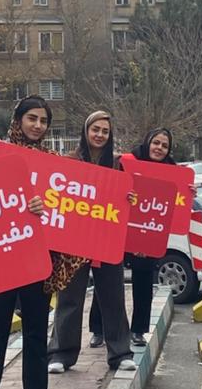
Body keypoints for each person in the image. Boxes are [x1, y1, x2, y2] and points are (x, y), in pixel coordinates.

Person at [0, 96, 82, 389]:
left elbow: (74, 204)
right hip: (3, 257)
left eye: (43, 120)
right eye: (32, 118)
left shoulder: (54, 163)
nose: (37, 125)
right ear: (18, 119)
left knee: (36, 330)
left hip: (38, 258)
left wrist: (44, 208)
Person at [47, 111, 136, 374]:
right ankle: (61, 353)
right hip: (74, 242)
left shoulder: (118, 165)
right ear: (86, 131)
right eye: (95, 129)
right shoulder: (70, 162)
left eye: (105, 131)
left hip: (107, 240)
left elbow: (128, 195)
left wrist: (129, 198)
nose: (99, 135)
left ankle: (120, 353)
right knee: (69, 298)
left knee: (113, 296)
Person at [89, 127, 176, 348]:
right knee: (107, 281)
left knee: (144, 283)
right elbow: (111, 187)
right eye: (156, 143)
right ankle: (98, 329)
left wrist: (189, 193)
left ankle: (138, 331)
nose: (159, 148)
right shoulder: (127, 162)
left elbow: (178, 205)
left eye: (164, 146)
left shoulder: (173, 172)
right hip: (118, 230)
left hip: (147, 233)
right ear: (148, 142)